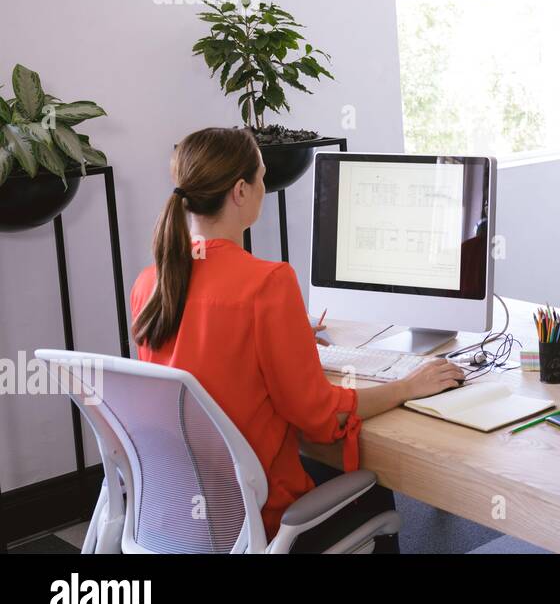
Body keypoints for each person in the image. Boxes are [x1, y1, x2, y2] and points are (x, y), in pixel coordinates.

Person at [129, 126, 464, 552]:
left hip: (183, 513)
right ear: (240, 192)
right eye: (262, 178)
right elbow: (320, 419)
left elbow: (208, 362)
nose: (264, 189)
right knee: (373, 488)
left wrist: (288, 337)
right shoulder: (267, 283)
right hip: (261, 517)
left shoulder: (151, 284)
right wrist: (407, 386)